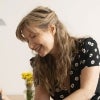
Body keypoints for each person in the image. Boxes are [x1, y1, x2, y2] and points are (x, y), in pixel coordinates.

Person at [16, 6, 100, 100]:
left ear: (52, 29)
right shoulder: (38, 64)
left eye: (33, 36)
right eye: (27, 41)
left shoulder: (86, 47)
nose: (30, 46)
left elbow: (86, 92)